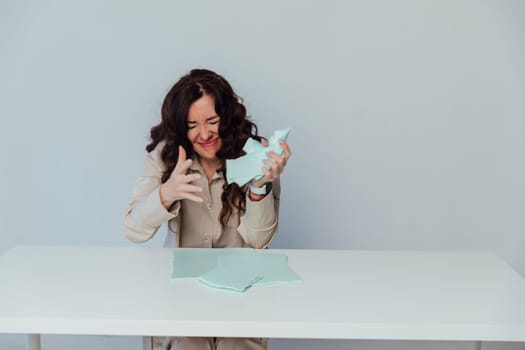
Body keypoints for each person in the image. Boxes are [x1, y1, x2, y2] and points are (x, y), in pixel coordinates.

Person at [124, 69, 291, 350]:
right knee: (188, 343)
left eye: (212, 121)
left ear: (227, 117)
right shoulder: (165, 157)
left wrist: (259, 186)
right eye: (192, 125)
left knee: (236, 344)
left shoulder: (254, 155)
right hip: (180, 296)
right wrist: (167, 194)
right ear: (179, 127)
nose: (205, 134)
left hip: (242, 294)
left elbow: (259, 240)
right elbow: (133, 230)